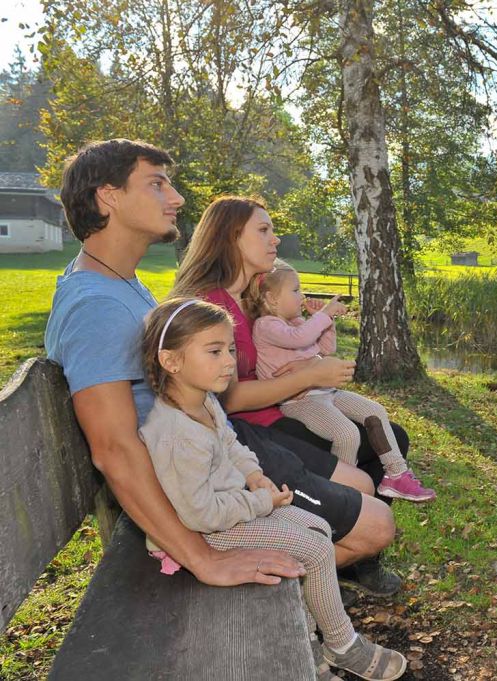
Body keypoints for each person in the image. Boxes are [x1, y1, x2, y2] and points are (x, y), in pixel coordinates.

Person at [43, 139, 301, 586]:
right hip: (187, 495)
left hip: (205, 461)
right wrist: (203, 560)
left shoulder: (118, 283)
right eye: (157, 184)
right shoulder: (96, 306)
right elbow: (114, 449)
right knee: (362, 529)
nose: (177, 198)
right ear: (109, 196)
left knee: (336, 515)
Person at [138, 297, 407, 680]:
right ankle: (342, 645)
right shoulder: (177, 435)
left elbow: (232, 444)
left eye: (230, 349)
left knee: (316, 527)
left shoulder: (204, 403)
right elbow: (200, 514)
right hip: (208, 530)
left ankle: (308, 639)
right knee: (312, 548)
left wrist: (253, 475)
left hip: (234, 505)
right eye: (214, 352)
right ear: (171, 361)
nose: (230, 361)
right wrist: (260, 500)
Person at [171, 196, 408, 595]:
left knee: (389, 436)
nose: (275, 240)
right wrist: (308, 376)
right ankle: (337, 554)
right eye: (263, 230)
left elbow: (275, 349)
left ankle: (348, 551)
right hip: (249, 432)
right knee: (365, 473)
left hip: (269, 418)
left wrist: (301, 317)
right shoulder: (209, 304)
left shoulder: (242, 297)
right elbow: (226, 401)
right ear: (231, 238)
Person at [249, 260, 435, 502]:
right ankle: (342, 496)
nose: (301, 295)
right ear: (272, 299)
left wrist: (326, 322)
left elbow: (327, 348)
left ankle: (396, 474)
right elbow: (299, 339)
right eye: (295, 290)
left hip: (326, 392)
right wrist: (323, 315)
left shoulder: (295, 323)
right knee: (346, 435)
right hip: (300, 402)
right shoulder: (265, 326)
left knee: (375, 411)